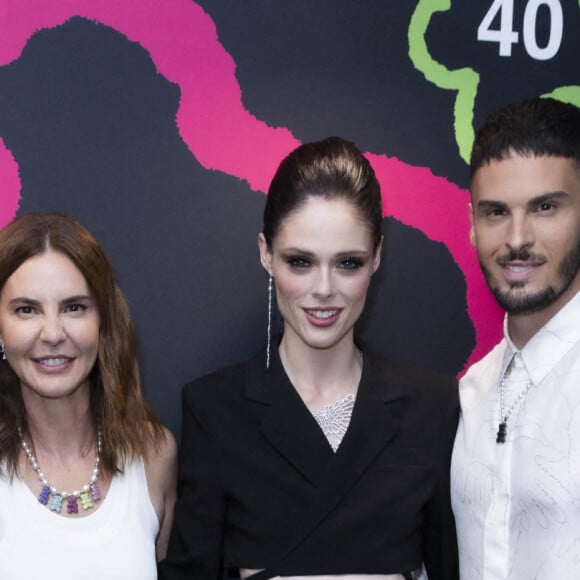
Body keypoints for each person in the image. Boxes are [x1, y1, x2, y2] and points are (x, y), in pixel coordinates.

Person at [159, 137, 459, 580]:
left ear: (377, 255)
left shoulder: (431, 407)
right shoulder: (215, 409)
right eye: (300, 261)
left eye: (348, 263)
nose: (323, 289)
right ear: (266, 253)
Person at [0, 212, 177, 579]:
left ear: (104, 322)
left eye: (74, 307)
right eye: (26, 310)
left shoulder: (154, 454)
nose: (52, 333)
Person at [451, 97, 580, 579]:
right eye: (496, 212)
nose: (518, 238)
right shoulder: (470, 393)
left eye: (545, 207)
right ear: (471, 223)